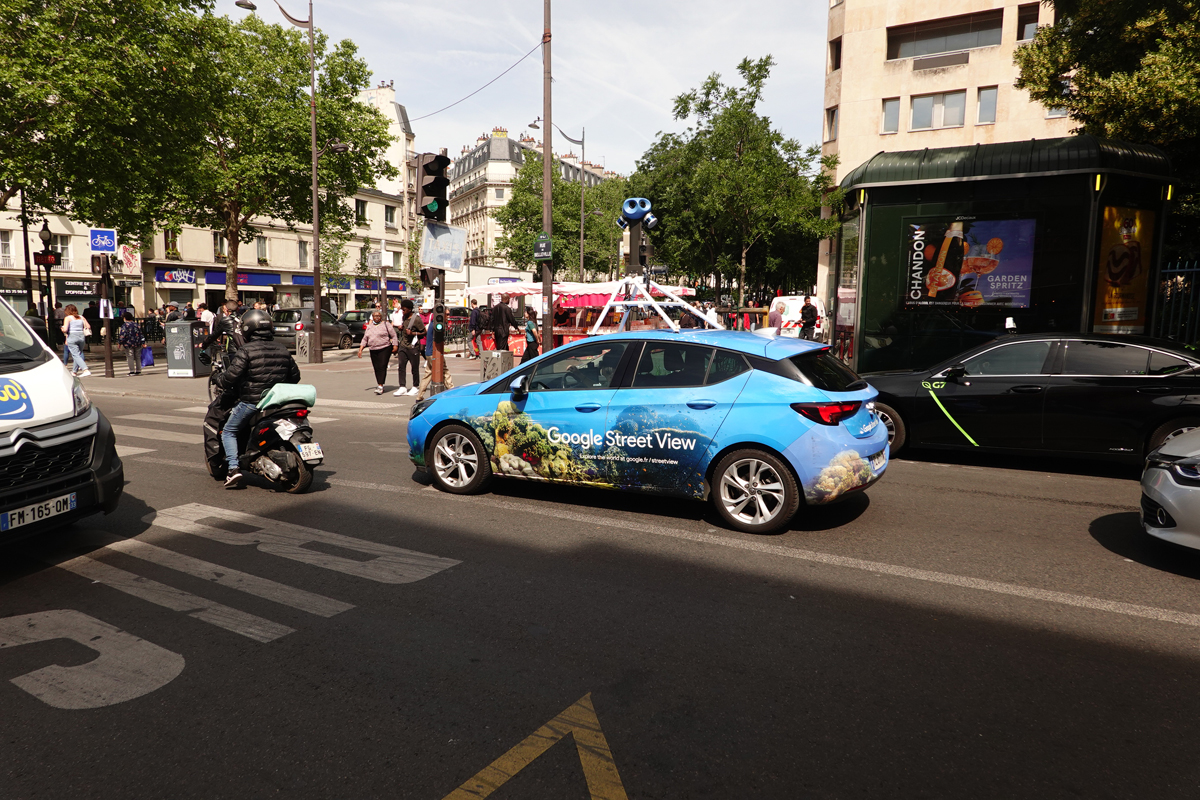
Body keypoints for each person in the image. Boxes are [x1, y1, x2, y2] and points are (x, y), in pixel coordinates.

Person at [213, 309, 301, 489]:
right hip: (278, 402)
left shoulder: (246, 350)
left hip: (252, 401)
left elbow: (231, 376)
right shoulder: (282, 348)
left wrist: (219, 379)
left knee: (229, 430)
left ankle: (233, 468)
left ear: (247, 328)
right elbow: (295, 376)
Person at [357, 309, 398, 395]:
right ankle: (379, 383)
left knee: (382, 366)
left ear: (381, 317)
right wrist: (361, 349)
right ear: (372, 317)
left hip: (385, 348)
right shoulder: (369, 326)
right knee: (376, 367)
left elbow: (394, 335)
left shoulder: (386, 325)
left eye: (378, 316)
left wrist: (395, 345)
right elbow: (365, 338)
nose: (377, 317)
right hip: (373, 349)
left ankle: (380, 385)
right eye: (375, 316)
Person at [394, 299, 424, 397]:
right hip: (403, 345)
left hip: (413, 347)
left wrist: (413, 333)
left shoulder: (416, 319)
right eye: (402, 309)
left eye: (404, 309)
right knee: (401, 366)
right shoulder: (404, 317)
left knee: (414, 367)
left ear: (410, 309)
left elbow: (424, 332)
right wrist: (401, 327)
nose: (403, 311)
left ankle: (415, 386)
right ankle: (402, 387)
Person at [61, 304, 91, 377]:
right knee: (78, 353)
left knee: (75, 354)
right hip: (81, 336)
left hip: (72, 336)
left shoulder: (68, 318)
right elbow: (88, 326)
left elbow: (65, 329)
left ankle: (85, 369)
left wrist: (62, 329)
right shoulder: (81, 317)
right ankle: (74, 371)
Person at [117, 311, 146, 376]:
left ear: (124, 318)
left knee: (130, 356)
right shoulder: (136, 324)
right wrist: (143, 342)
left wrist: (119, 342)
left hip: (128, 343)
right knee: (138, 357)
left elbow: (123, 334)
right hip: (137, 343)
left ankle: (132, 371)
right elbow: (141, 334)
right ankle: (138, 370)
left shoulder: (125, 325)